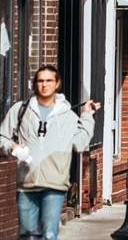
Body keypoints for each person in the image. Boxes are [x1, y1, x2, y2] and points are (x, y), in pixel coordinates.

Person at [0, 65, 98, 240]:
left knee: (49, 234)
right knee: (28, 236)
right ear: (35, 84)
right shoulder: (21, 110)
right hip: (27, 183)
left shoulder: (67, 115)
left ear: (57, 84)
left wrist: (87, 116)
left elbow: (80, 144)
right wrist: (12, 147)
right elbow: (2, 137)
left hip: (55, 184)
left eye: (49, 81)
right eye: (40, 81)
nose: (44, 85)